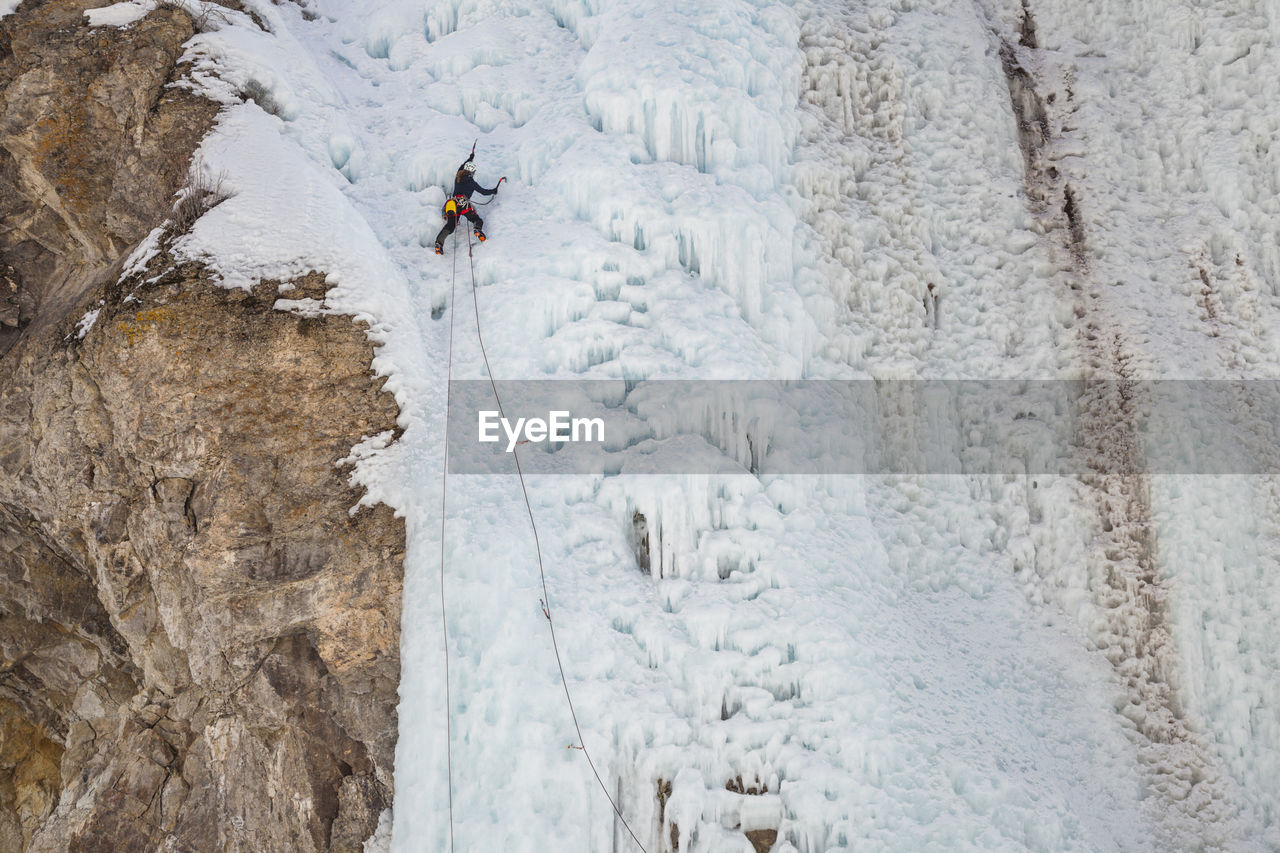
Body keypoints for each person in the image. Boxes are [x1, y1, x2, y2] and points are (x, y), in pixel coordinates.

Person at [434, 149, 503, 254]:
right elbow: (483, 192)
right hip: (464, 204)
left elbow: (462, 166)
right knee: (477, 219)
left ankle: (439, 243)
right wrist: (494, 190)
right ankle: (477, 229)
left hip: (452, 204)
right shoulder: (471, 182)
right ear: (473, 172)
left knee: (450, 225)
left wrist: (470, 159)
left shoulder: (458, 176)